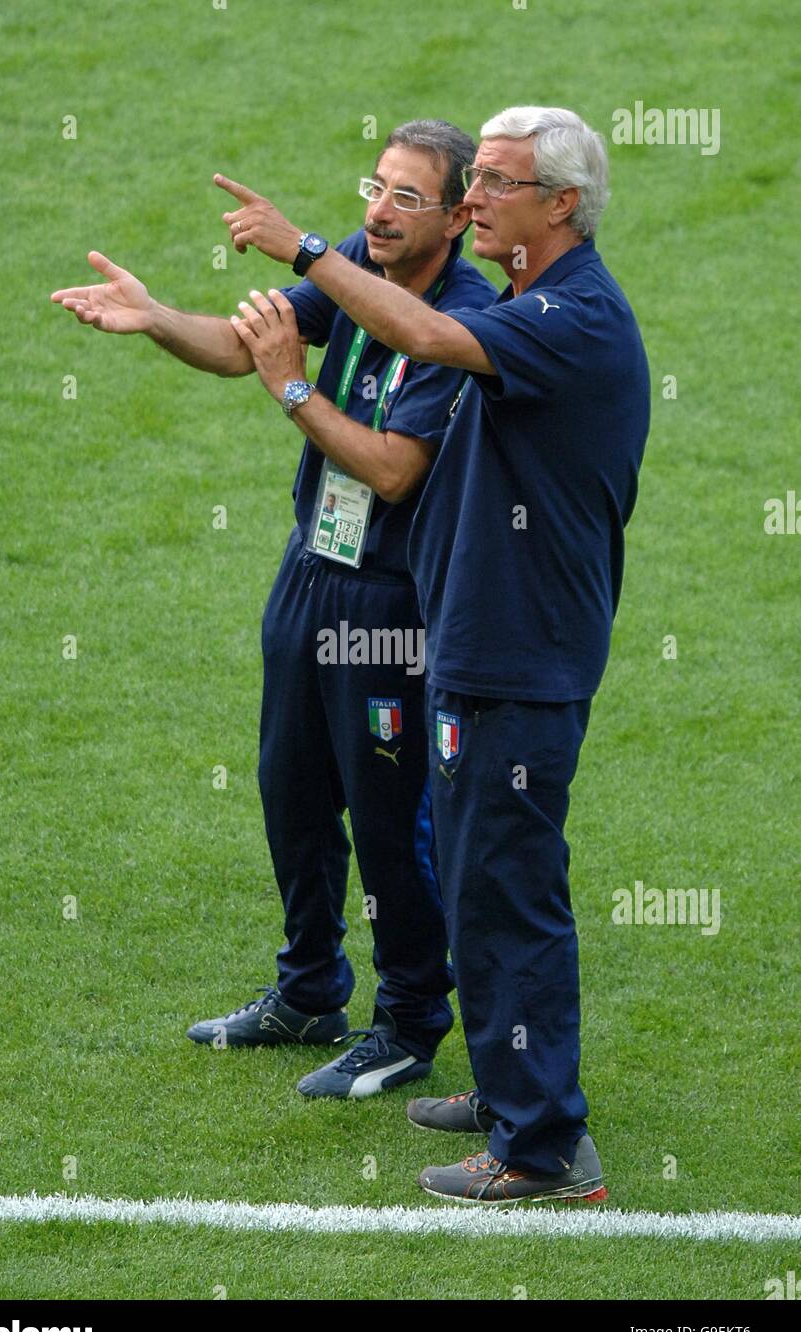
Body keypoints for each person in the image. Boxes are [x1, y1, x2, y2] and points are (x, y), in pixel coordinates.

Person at [217, 104, 650, 1200]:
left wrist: (312, 250)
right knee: (473, 881)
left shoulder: (572, 317)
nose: (469, 205)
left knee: (508, 894)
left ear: (559, 203)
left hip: (521, 658)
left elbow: (419, 336)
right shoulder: (528, 301)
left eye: (491, 185)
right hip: (475, 647)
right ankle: (509, 1093)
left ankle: (543, 1149)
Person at [51, 121, 496, 1101]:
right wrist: (156, 315)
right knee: (288, 789)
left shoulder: (463, 320)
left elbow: (387, 470)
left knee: (387, 822)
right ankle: (308, 991)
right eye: (374, 187)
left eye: (405, 197)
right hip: (310, 572)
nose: (376, 210)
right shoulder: (349, 264)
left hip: (390, 603)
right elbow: (241, 344)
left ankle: (409, 1020)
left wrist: (289, 384)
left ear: (460, 217)